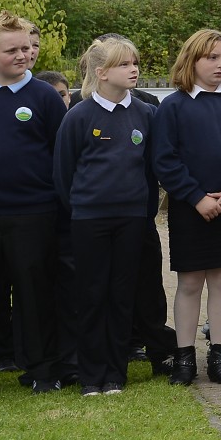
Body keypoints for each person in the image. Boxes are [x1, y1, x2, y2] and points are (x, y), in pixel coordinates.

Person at [152, 28, 221, 386]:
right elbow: (165, 160)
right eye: (211, 58)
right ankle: (185, 359)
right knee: (189, 283)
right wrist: (196, 196)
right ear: (192, 60)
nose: (220, 65)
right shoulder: (174, 105)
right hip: (191, 210)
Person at [0, 12, 68, 396]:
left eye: (27, 47)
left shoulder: (44, 96)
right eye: (13, 50)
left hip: (34, 212)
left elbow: (61, 153)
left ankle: (42, 369)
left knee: (35, 293)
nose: (23, 55)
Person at [53, 37, 156, 395]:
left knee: (121, 294)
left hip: (131, 219)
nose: (134, 69)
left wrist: (143, 212)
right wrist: (86, 206)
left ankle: (115, 374)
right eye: (125, 64)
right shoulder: (78, 116)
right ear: (101, 72)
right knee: (91, 294)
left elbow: (149, 170)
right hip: (89, 220)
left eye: (135, 63)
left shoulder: (145, 113)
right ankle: (90, 375)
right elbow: (64, 174)